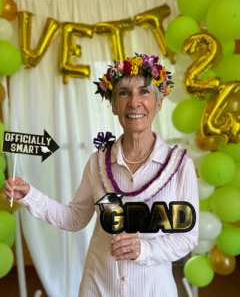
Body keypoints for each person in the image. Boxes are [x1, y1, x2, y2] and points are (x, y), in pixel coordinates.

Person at [4, 53, 199, 297]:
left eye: (144, 92)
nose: (134, 102)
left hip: (153, 289)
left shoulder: (180, 167)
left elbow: (188, 238)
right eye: (124, 93)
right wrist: (29, 195)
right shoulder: (98, 162)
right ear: (114, 105)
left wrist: (144, 249)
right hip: (98, 286)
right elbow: (75, 218)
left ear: (158, 103)